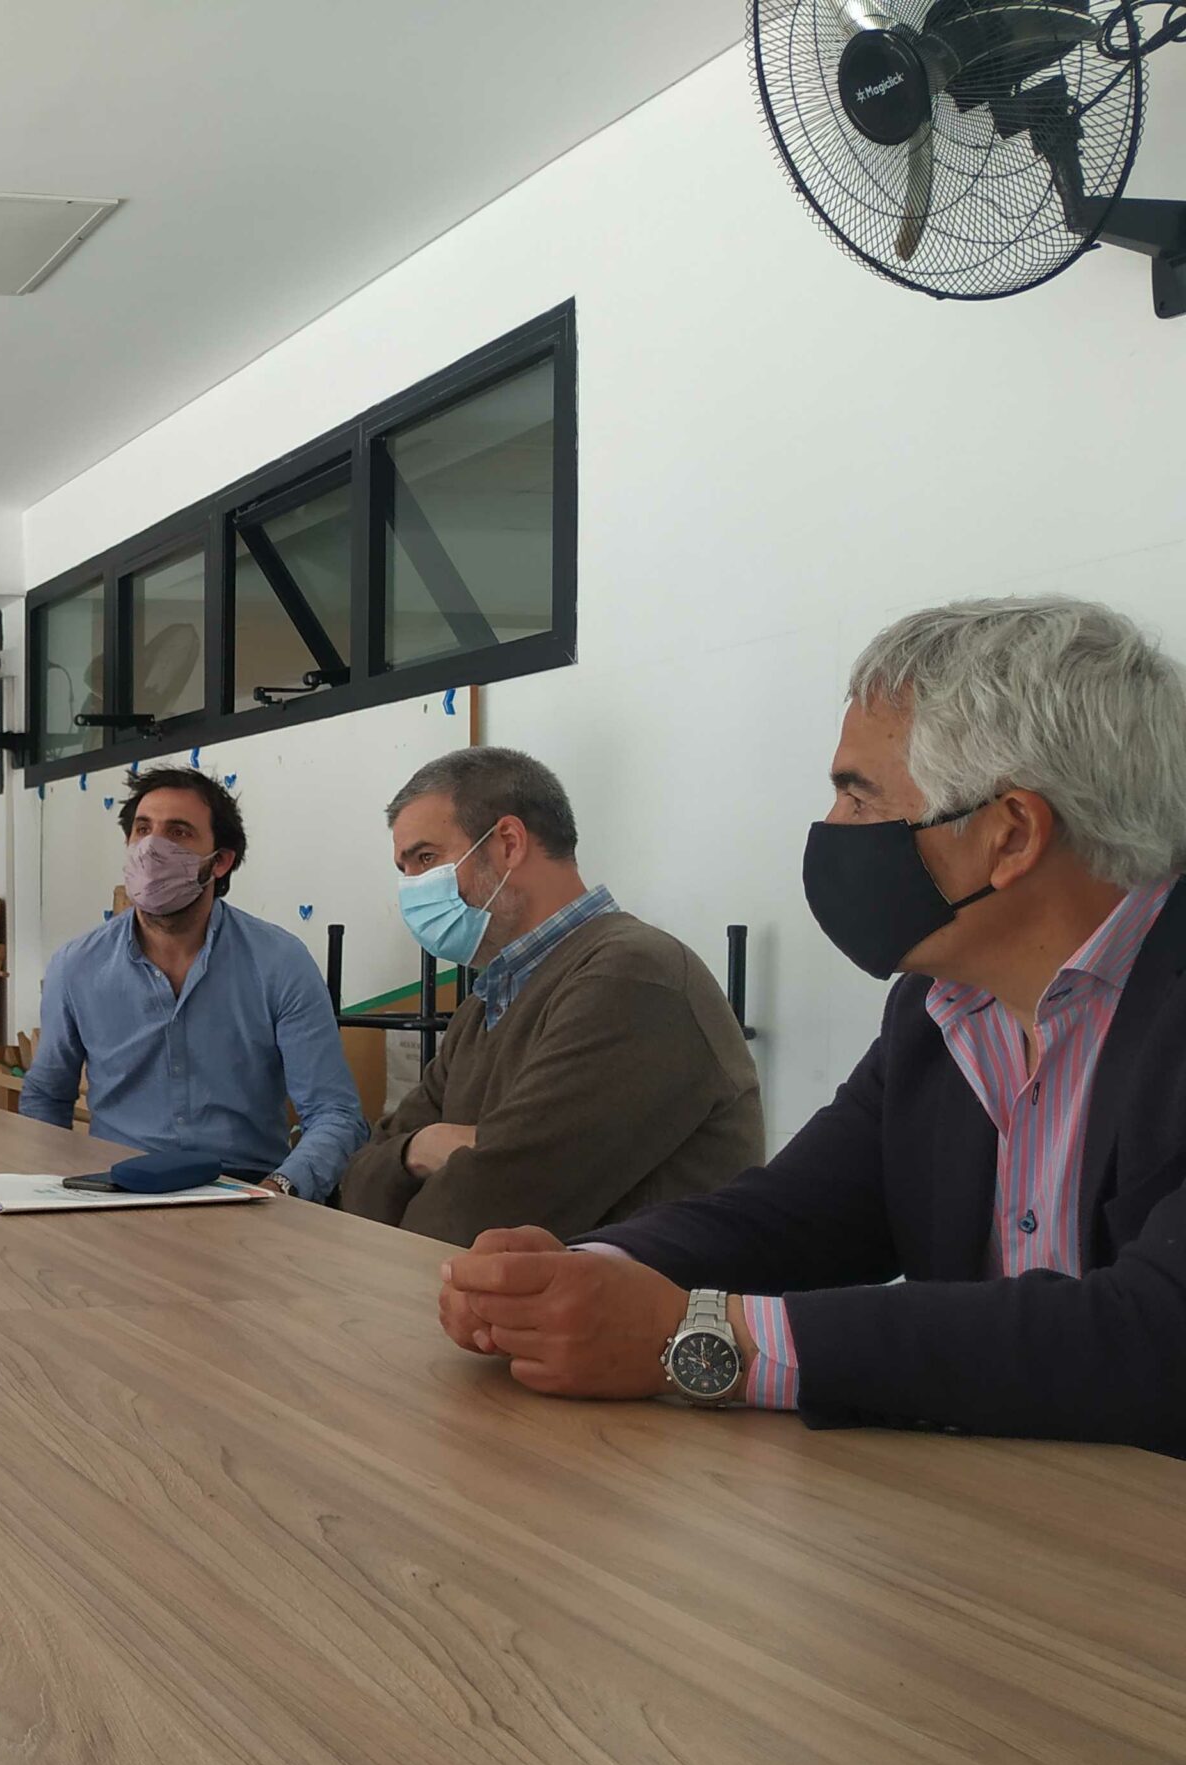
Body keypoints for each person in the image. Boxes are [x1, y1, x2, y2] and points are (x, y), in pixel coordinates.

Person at [439, 596, 1186, 1454]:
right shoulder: (942, 1008)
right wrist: (582, 1273)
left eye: (858, 800)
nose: (830, 834)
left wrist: (702, 1339)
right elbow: (802, 1213)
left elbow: (1157, 1336)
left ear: (1010, 834)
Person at [338, 747, 762, 1244]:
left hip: (637, 1320)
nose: (411, 889)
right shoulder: (488, 999)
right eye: (404, 869)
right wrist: (422, 1147)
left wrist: (425, 1174)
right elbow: (356, 1184)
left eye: (426, 859)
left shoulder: (634, 979)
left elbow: (479, 1217)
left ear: (509, 844)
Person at [21, 764, 367, 1199]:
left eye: (178, 832)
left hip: (245, 1189)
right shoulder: (77, 966)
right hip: (117, 1186)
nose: (152, 847)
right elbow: (46, 1096)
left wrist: (278, 1190)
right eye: (142, 829)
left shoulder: (280, 962)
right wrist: (52, 1189)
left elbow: (335, 1112)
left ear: (220, 861)